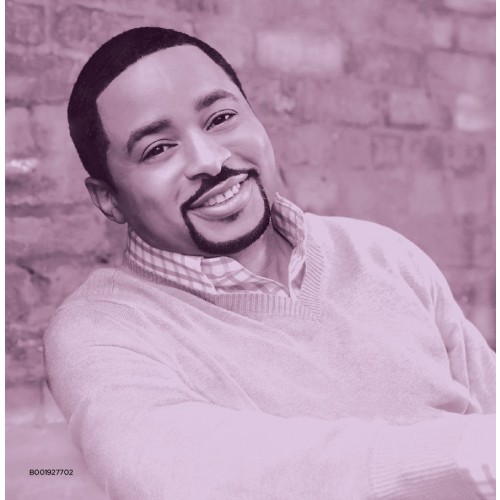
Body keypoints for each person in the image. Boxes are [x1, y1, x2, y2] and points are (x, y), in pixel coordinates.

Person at [44, 27, 495, 499]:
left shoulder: (381, 253)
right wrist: (467, 457)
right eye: (158, 149)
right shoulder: (100, 330)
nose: (210, 160)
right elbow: (179, 471)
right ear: (108, 198)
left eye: (221, 118)